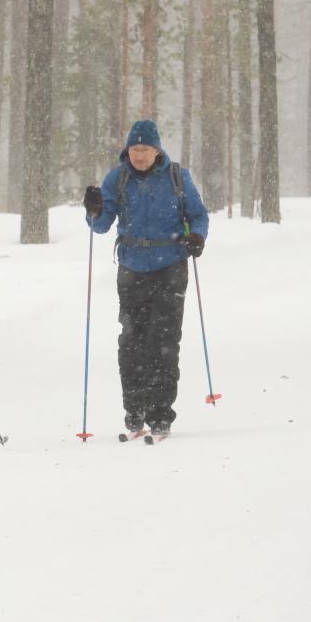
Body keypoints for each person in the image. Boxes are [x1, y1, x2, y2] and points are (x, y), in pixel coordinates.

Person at [83, 119, 208, 440]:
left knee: (164, 342)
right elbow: (100, 226)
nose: (140, 155)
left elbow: (198, 214)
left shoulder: (177, 177)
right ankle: (134, 411)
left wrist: (197, 236)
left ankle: (161, 415)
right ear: (128, 150)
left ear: (157, 150)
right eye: (135, 149)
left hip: (171, 266)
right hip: (132, 268)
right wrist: (93, 210)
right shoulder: (117, 178)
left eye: (146, 149)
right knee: (132, 340)